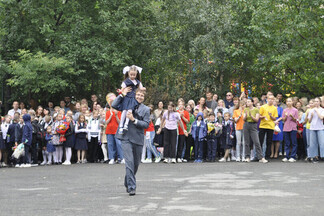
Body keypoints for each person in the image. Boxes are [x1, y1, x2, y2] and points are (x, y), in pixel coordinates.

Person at [112, 87, 150, 196]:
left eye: (142, 95)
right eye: (138, 95)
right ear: (134, 95)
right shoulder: (127, 103)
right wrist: (122, 94)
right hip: (126, 137)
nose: (139, 97)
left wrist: (134, 120)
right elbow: (114, 105)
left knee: (135, 165)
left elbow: (146, 124)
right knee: (129, 162)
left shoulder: (146, 109)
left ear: (144, 97)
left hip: (138, 139)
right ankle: (132, 187)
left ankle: (127, 181)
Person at [118, 65, 146, 134]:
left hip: (133, 98)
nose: (132, 76)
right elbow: (121, 90)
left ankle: (126, 124)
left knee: (129, 111)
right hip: (127, 98)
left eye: (134, 75)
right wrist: (121, 91)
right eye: (131, 74)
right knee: (124, 111)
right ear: (128, 73)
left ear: (136, 74)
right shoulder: (126, 82)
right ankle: (121, 125)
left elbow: (141, 88)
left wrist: (143, 88)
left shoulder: (137, 82)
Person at [243, 98, 268, 163]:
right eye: (247, 102)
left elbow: (257, 119)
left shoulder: (256, 109)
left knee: (256, 142)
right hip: (246, 125)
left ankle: (261, 157)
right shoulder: (245, 109)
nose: (247, 103)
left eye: (248, 102)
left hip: (253, 125)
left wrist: (251, 116)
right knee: (247, 142)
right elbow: (244, 119)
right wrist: (245, 115)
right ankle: (247, 157)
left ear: (252, 102)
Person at [105, 93, 124, 165]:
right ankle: (111, 158)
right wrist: (110, 116)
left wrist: (116, 115)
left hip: (117, 130)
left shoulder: (119, 112)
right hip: (109, 131)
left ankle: (121, 158)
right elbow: (106, 122)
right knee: (110, 145)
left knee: (119, 144)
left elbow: (120, 122)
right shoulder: (107, 112)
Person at [259, 95, 278, 160]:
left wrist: (271, 116)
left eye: (272, 99)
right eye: (269, 99)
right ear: (267, 99)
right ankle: (260, 156)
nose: (271, 100)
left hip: (270, 126)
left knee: (269, 142)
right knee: (260, 141)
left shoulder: (274, 108)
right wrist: (263, 117)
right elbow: (259, 116)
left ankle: (268, 156)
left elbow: (274, 118)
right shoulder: (263, 107)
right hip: (263, 125)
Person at [282, 98, 299, 162]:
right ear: (286, 102)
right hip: (286, 128)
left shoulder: (295, 110)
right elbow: (283, 120)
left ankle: (293, 156)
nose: (288, 102)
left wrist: (292, 117)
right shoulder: (284, 110)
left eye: (290, 101)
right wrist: (286, 116)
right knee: (287, 143)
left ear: (292, 102)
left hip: (293, 128)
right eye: (287, 101)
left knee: (294, 143)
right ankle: (287, 156)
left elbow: (297, 120)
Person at [308, 97, 324, 163]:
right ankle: (314, 157)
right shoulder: (311, 110)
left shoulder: (322, 110)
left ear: (320, 102)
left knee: (322, 143)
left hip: (320, 128)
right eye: (315, 101)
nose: (316, 103)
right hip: (312, 128)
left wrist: (317, 111)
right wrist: (311, 115)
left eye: (317, 101)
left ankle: (322, 156)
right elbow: (309, 121)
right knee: (312, 144)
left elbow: (321, 117)